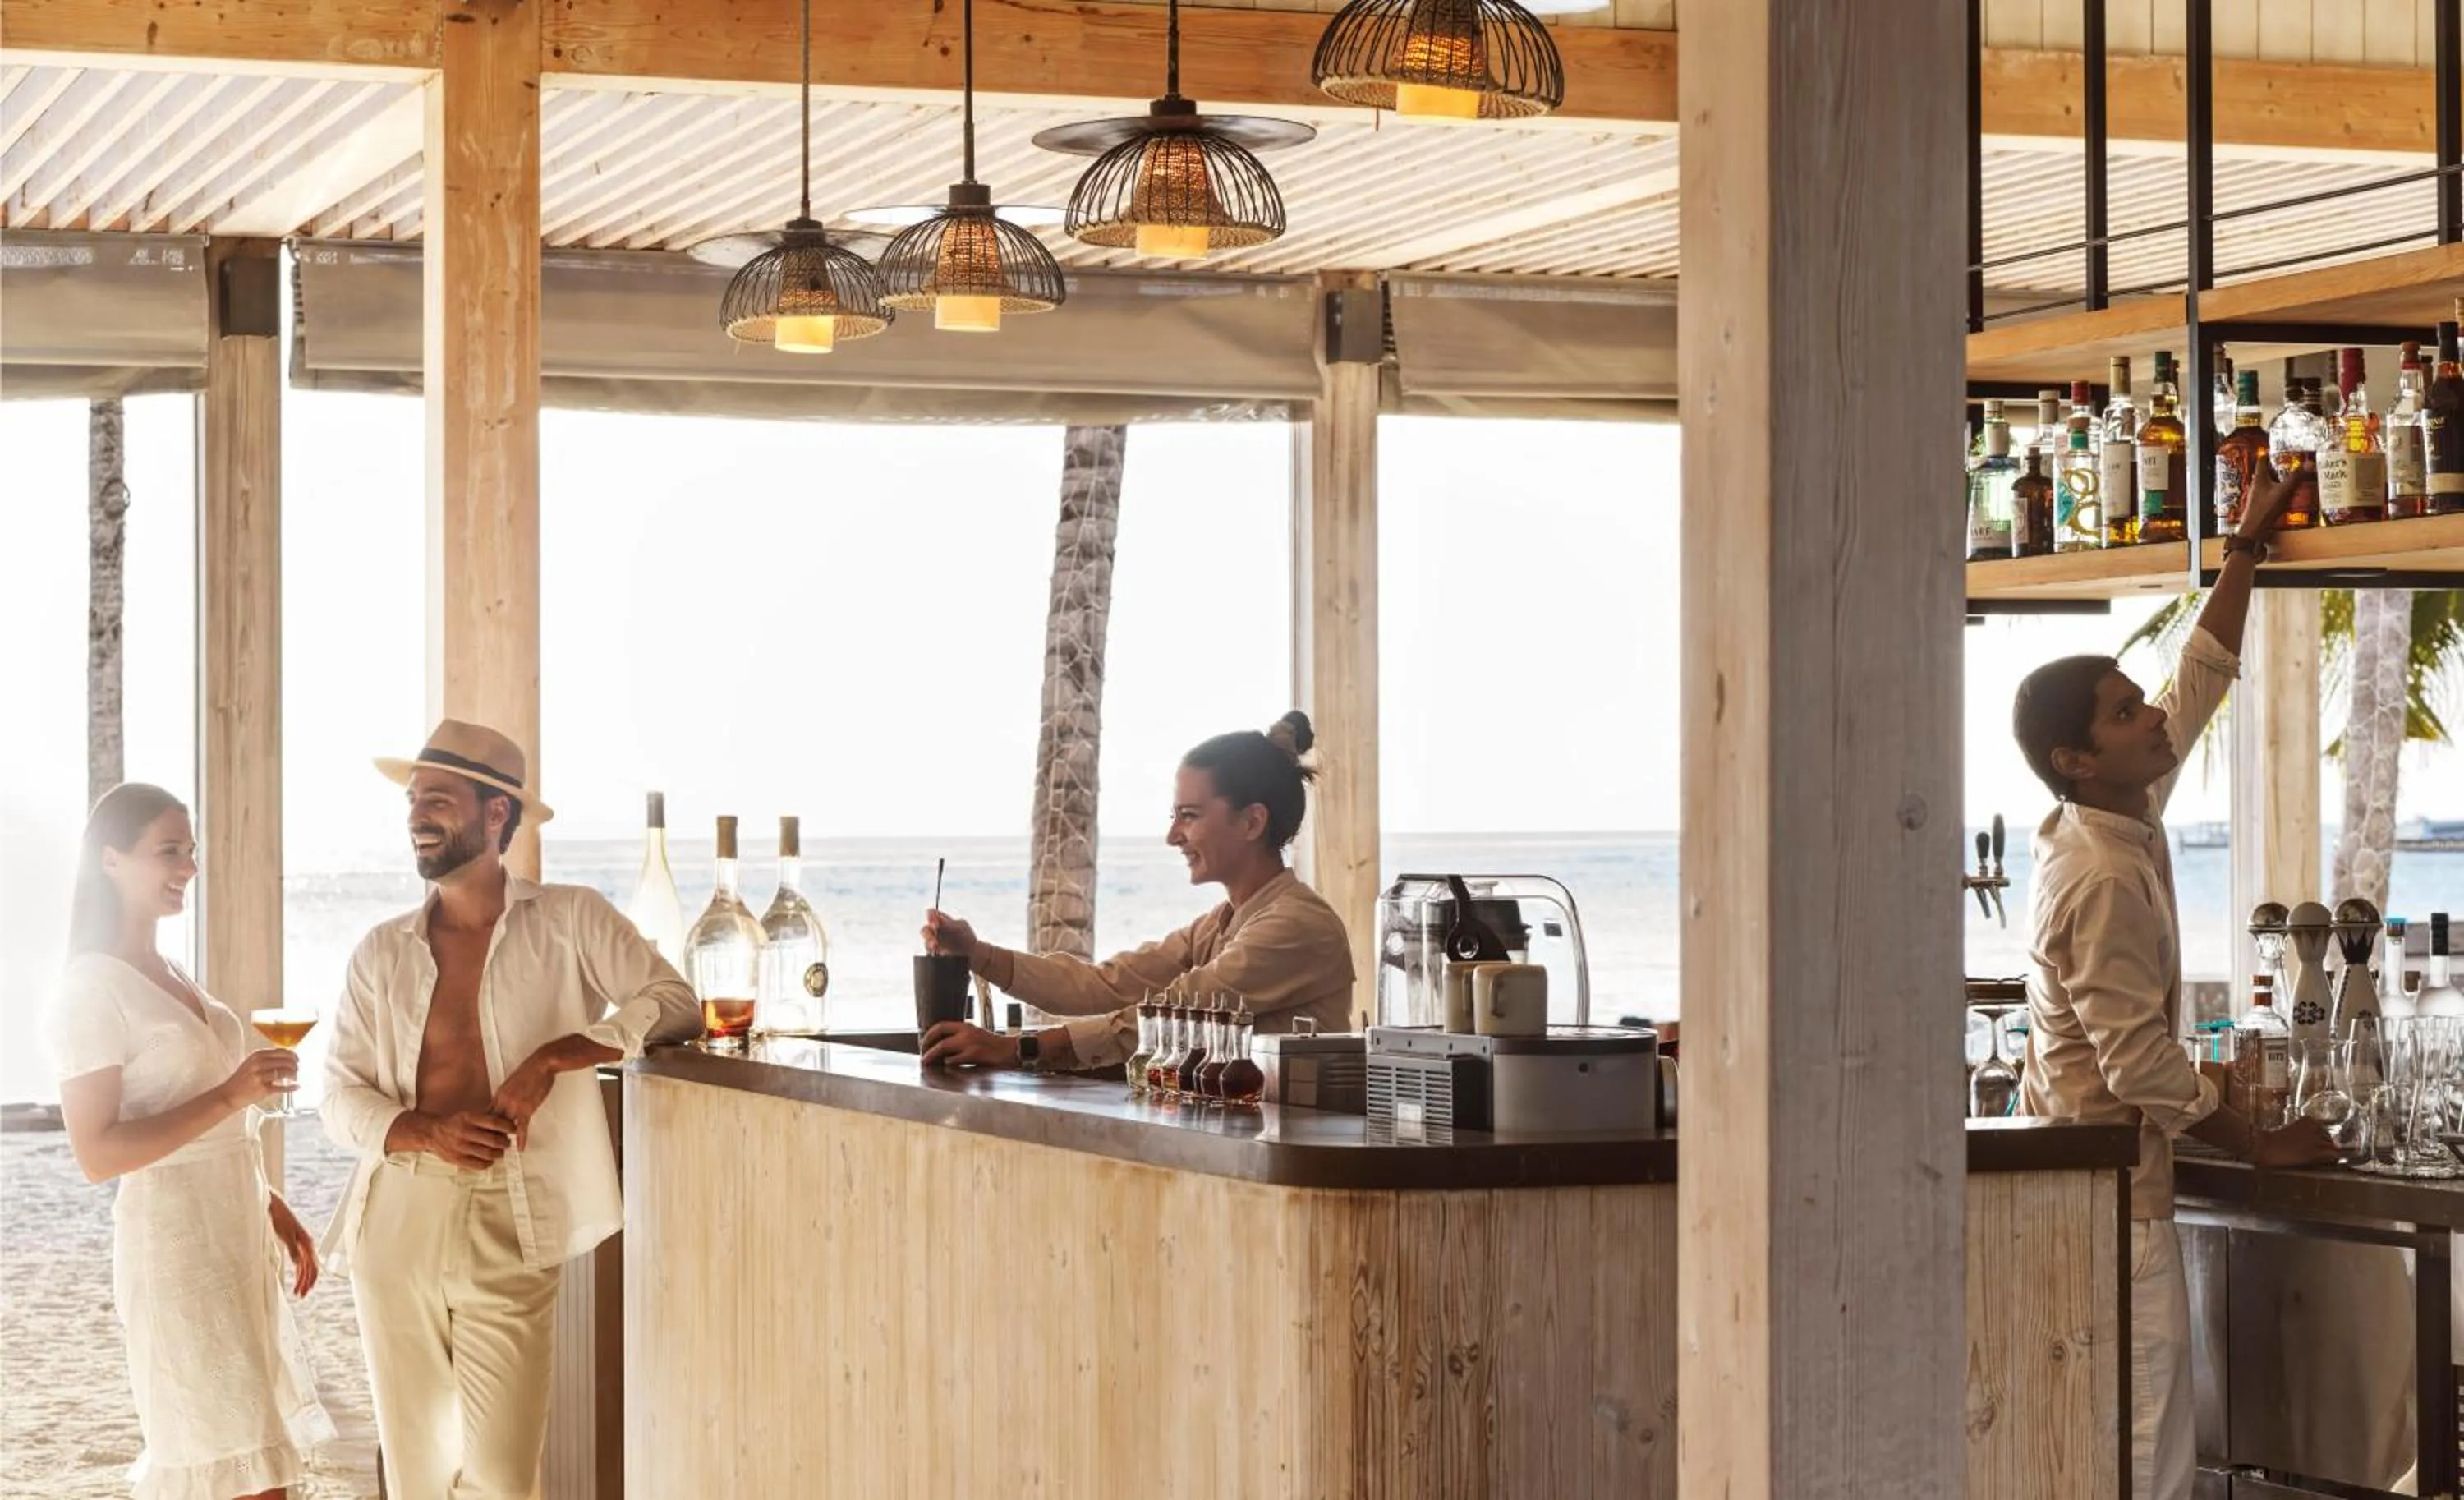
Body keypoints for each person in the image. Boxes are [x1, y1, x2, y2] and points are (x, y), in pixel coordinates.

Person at [2011, 473, 2338, 1500]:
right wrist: (2261, 1138)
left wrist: (2244, 546)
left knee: (2106, 1451)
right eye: (2123, 710)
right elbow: (2136, 1061)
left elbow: (2199, 675)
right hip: (2113, 1196)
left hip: (2081, 1180)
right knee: (2147, 1460)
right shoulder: (2102, 873)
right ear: (2076, 756)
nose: (2151, 712)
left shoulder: (2106, 809)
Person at [321, 720, 701, 1499]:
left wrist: (559, 1055)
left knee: (502, 1477)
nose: (418, 815)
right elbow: (339, 1093)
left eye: (439, 799)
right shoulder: (379, 950)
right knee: (420, 1476)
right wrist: (422, 1131)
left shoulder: (571, 918)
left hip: (512, 1212)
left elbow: (675, 1003)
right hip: (396, 1214)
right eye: (413, 800)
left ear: (497, 814)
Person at [43, 782, 333, 1500]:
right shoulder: (88, 988)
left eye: (191, 850)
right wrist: (234, 1092)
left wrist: (272, 1207)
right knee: (234, 1467)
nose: (189, 866)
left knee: (260, 1461)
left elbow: (207, 1123)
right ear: (110, 861)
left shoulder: (170, 972)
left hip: (233, 1237)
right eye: (168, 850)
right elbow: (97, 1153)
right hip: (176, 1251)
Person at [919, 711, 1354, 1071]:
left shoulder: (1297, 926)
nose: (1173, 836)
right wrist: (977, 953)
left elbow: (1169, 1014)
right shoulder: (1218, 926)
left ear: (1252, 822)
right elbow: (1104, 985)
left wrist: (1017, 1049)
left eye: (1189, 816)